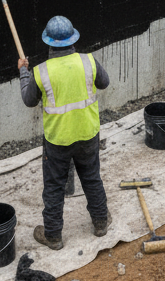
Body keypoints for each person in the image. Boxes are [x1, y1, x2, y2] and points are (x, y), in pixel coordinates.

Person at [17, 16, 111, 250]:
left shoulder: (41, 72)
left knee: (54, 187)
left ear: (49, 43)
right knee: (91, 178)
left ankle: (54, 236)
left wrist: (23, 73)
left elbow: (29, 101)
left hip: (58, 140)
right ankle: (100, 224)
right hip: (88, 133)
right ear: (73, 40)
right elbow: (104, 82)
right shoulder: (87, 61)